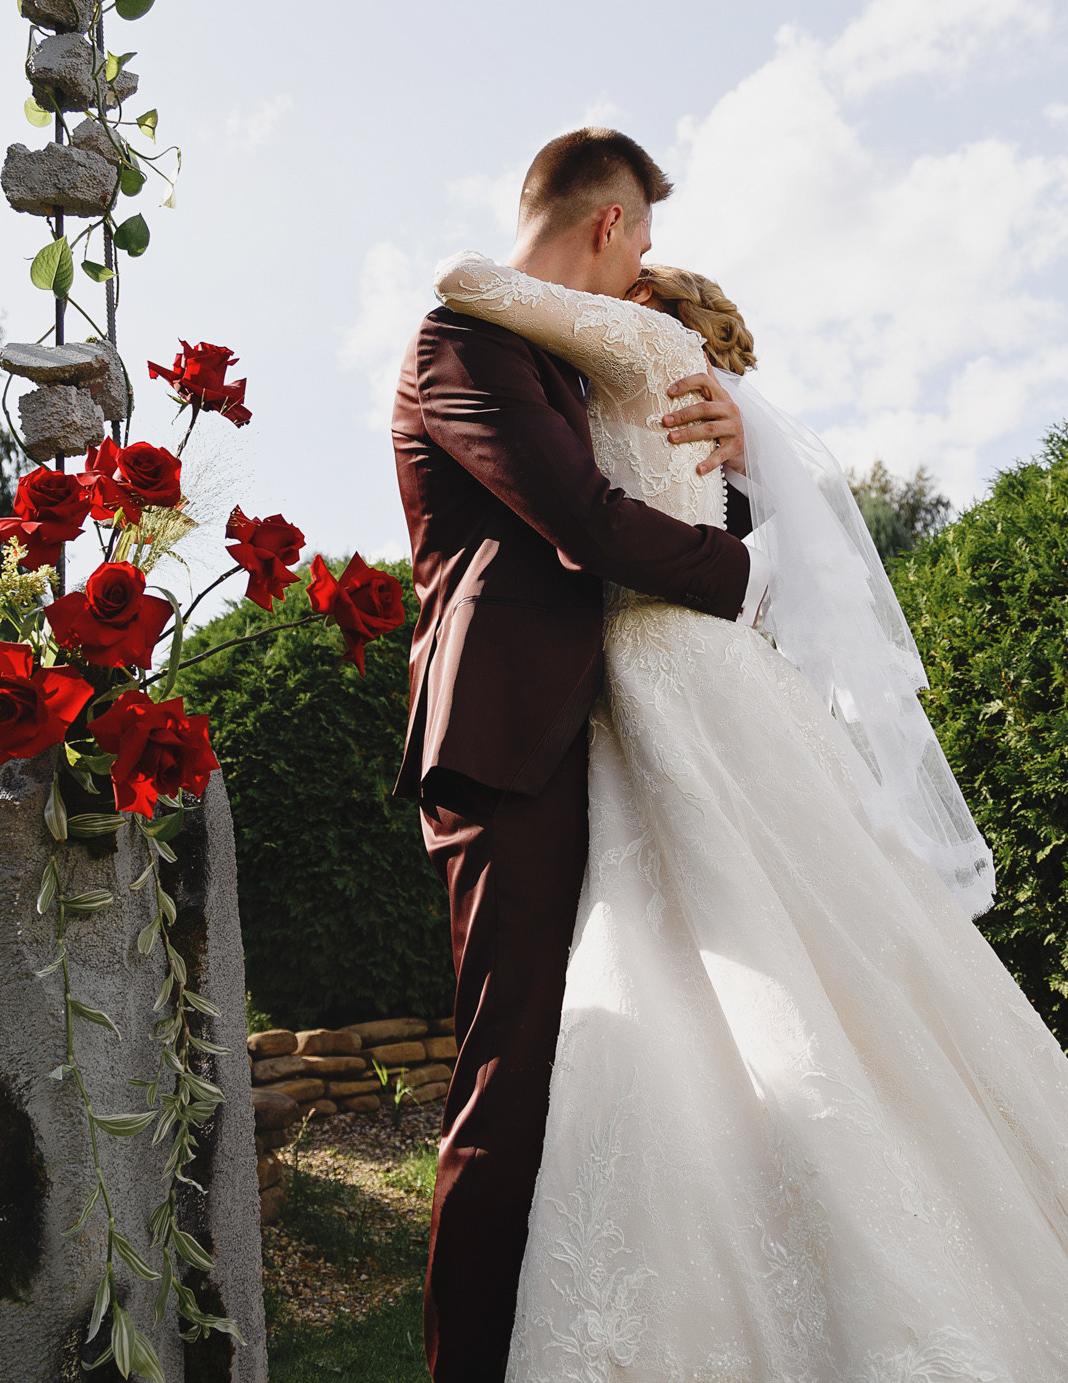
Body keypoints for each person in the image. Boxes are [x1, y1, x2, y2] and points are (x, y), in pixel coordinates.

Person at [426, 236, 1068, 1379]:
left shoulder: (634, 346)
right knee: (815, 965)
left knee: (711, 971)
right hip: (689, 685)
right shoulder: (706, 416)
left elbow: (480, 292)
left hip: (668, 672)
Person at [391, 129, 764, 1382]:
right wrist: (753, 579)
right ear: (607, 224)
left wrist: (731, 469)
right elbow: (580, 519)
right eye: (641, 245)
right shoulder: (465, 345)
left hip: (624, 734)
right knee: (511, 1085)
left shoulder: (569, 354)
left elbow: (653, 493)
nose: (643, 274)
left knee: (628, 1065)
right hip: (508, 736)